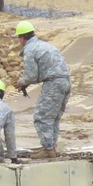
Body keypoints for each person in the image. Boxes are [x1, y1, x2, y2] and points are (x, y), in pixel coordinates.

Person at [14, 20, 71, 159]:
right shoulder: (45, 45)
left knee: (42, 117)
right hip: (65, 81)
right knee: (53, 118)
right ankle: (51, 146)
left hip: (54, 83)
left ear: (22, 38)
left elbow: (31, 75)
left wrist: (21, 82)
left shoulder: (29, 49)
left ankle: (47, 149)